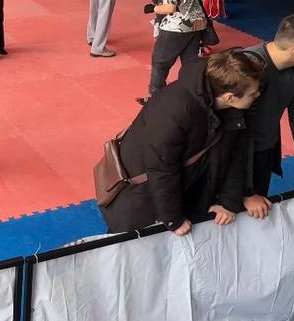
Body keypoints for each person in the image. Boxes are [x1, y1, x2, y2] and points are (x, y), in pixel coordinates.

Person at [101, 51, 264, 234]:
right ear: (229, 97)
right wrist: (173, 219)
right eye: (253, 93)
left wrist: (229, 202)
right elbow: (161, 168)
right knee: (130, 246)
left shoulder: (230, 108)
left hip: (184, 189)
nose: (258, 94)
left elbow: (234, 155)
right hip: (141, 197)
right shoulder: (174, 110)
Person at [241, 15, 294, 217]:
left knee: (258, 213)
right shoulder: (250, 68)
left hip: (264, 150)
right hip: (235, 158)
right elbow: (241, 132)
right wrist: (246, 191)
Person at [148, 0, 207, 98]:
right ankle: (191, 95)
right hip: (196, 24)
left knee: (160, 62)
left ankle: (156, 97)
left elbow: (170, 8)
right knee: (190, 64)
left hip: (177, 26)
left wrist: (154, 8)